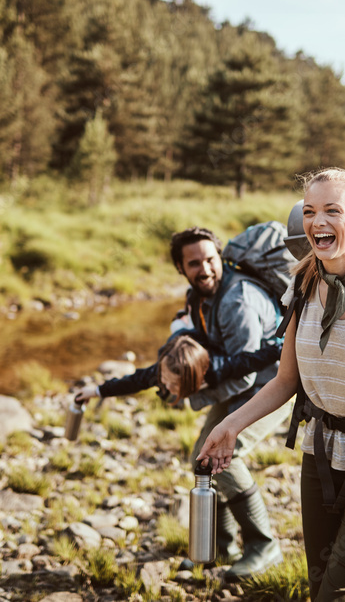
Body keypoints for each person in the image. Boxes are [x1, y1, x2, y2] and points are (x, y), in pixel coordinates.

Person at [197, 167, 345, 600]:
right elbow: (285, 380)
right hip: (321, 453)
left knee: (337, 593)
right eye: (309, 211)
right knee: (319, 580)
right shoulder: (304, 283)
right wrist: (230, 425)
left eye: (332, 210)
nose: (317, 222)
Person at [80, 225, 292, 581]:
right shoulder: (198, 299)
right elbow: (177, 368)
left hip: (272, 385)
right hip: (240, 385)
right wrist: (101, 390)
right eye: (194, 263)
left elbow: (242, 372)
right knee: (204, 458)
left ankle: (263, 545)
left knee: (229, 455)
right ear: (181, 268)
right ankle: (222, 547)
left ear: (220, 257)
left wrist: (190, 393)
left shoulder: (236, 299)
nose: (204, 269)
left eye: (210, 259)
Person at [74, 332, 281, 409]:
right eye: (165, 380)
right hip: (181, 339)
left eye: (174, 384)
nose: (167, 386)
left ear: (195, 380)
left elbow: (251, 360)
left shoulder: (219, 368)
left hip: (200, 350)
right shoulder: (162, 373)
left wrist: (281, 348)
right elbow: (134, 381)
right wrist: (96, 391)